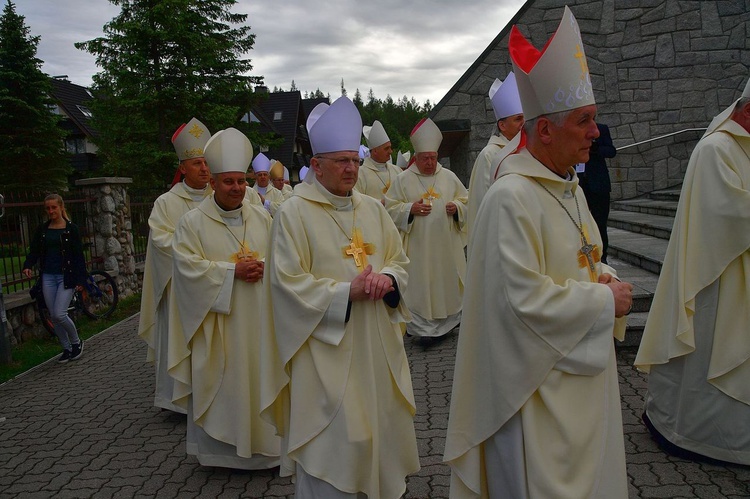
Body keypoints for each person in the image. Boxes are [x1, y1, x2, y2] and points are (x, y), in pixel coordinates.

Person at [445, 7, 633, 498]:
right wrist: (602, 302)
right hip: (532, 395)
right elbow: (519, 302)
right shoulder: (512, 197)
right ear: (544, 131)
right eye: (585, 120)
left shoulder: (566, 187)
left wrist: (606, 277)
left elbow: (585, 257)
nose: (596, 131)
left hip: (581, 383)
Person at [261, 96, 419, 498]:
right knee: (336, 444)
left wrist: (389, 281)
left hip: (377, 348)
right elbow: (285, 284)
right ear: (316, 166)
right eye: (341, 161)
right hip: (325, 355)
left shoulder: (373, 210)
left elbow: (399, 261)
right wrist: (343, 292)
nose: (351, 169)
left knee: (378, 431)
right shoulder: (293, 214)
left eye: (355, 160)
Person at [634, 79, 750, 466]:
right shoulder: (716, 148)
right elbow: (724, 213)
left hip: (739, 269)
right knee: (710, 352)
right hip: (716, 276)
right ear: (746, 112)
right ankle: (699, 433)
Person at [168, 127, 280, 469]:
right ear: (213, 183)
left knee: (260, 380)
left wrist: (264, 267)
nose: (236, 188)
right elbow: (187, 270)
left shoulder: (261, 216)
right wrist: (233, 273)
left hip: (260, 321)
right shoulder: (192, 223)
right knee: (226, 382)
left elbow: (280, 258)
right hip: (218, 325)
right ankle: (221, 455)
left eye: (241, 182)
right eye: (228, 182)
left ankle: (266, 452)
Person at [138, 117, 212, 413]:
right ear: (183, 167)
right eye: (197, 164)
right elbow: (161, 242)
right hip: (180, 289)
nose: (205, 169)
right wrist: (199, 258)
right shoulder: (166, 203)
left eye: (207, 163)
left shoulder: (221, 198)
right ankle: (177, 401)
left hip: (214, 284)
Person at [385, 117, 468, 344]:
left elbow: (467, 200)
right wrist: (409, 209)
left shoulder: (449, 177)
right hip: (418, 248)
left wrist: (458, 207)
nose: (429, 163)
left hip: (446, 245)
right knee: (419, 287)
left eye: (432, 158)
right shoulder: (402, 180)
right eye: (425, 159)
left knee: (446, 283)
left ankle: (448, 325)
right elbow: (390, 208)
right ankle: (421, 330)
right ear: (416, 158)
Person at [23, 194, 88, 363]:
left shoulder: (70, 229)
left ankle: (76, 343)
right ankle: (66, 348)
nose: (51, 211)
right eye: (48, 208)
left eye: (54, 207)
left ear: (61, 207)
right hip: (48, 276)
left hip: (66, 276)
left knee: (60, 313)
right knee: (53, 315)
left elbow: (78, 256)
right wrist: (28, 265)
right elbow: (35, 250)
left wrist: (81, 280)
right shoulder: (43, 230)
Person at [466, 72, 524, 236]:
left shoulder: (526, 151)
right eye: (518, 119)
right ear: (502, 125)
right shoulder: (490, 154)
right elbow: (485, 201)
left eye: (525, 118)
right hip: (502, 230)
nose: (524, 123)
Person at [579, 123, 616, 263]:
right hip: (579, 183)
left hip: (598, 183)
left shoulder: (601, 129)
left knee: (600, 224)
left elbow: (611, 151)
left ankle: (602, 258)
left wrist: (595, 149)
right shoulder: (573, 129)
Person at [355, 120, 402, 202]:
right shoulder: (360, 174)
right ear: (375, 151)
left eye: (390, 147)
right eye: (386, 148)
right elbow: (357, 200)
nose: (391, 151)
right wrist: (380, 203)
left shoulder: (397, 171)